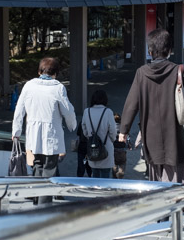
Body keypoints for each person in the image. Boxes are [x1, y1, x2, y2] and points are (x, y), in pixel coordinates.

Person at [119, 29, 184, 183]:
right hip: (174, 135)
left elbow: (132, 103)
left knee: (156, 180)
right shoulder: (178, 71)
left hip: (151, 137)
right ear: (169, 50)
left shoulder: (141, 73)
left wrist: (123, 131)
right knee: (177, 182)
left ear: (150, 51)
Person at [12, 57, 77, 204]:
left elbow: (19, 110)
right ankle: (43, 204)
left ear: (39, 71)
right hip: (52, 135)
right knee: (49, 169)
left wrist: (16, 131)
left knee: (37, 166)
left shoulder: (29, 86)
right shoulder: (58, 88)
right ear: (56, 72)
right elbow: (68, 111)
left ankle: (37, 199)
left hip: (33, 134)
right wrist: (72, 125)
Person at [81, 90, 117, 179]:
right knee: (105, 176)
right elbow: (113, 131)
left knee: (95, 174)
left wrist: (90, 137)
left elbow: (84, 128)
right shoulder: (108, 112)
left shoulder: (87, 111)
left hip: (92, 148)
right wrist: (111, 140)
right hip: (106, 148)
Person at [112, 114, 128, 178]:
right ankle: (121, 174)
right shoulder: (123, 128)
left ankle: (114, 175)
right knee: (122, 163)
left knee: (114, 163)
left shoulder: (111, 127)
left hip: (114, 148)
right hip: (122, 148)